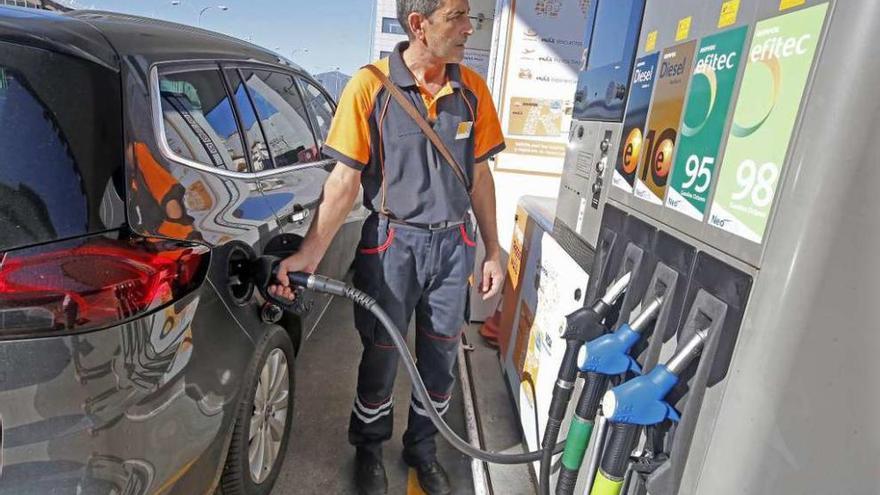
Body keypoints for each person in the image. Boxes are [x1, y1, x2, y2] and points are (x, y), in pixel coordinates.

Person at [269, 0, 504, 493]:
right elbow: (343, 183)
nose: (469, 28)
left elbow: (480, 177)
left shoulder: (473, 90)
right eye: (457, 17)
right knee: (381, 355)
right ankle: (369, 448)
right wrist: (309, 253)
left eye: (469, 17)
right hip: (391, 244)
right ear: (419, 25)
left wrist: (493, 249)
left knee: (440, 358)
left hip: (452, 243)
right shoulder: (369, 86)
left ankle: (423, 447)